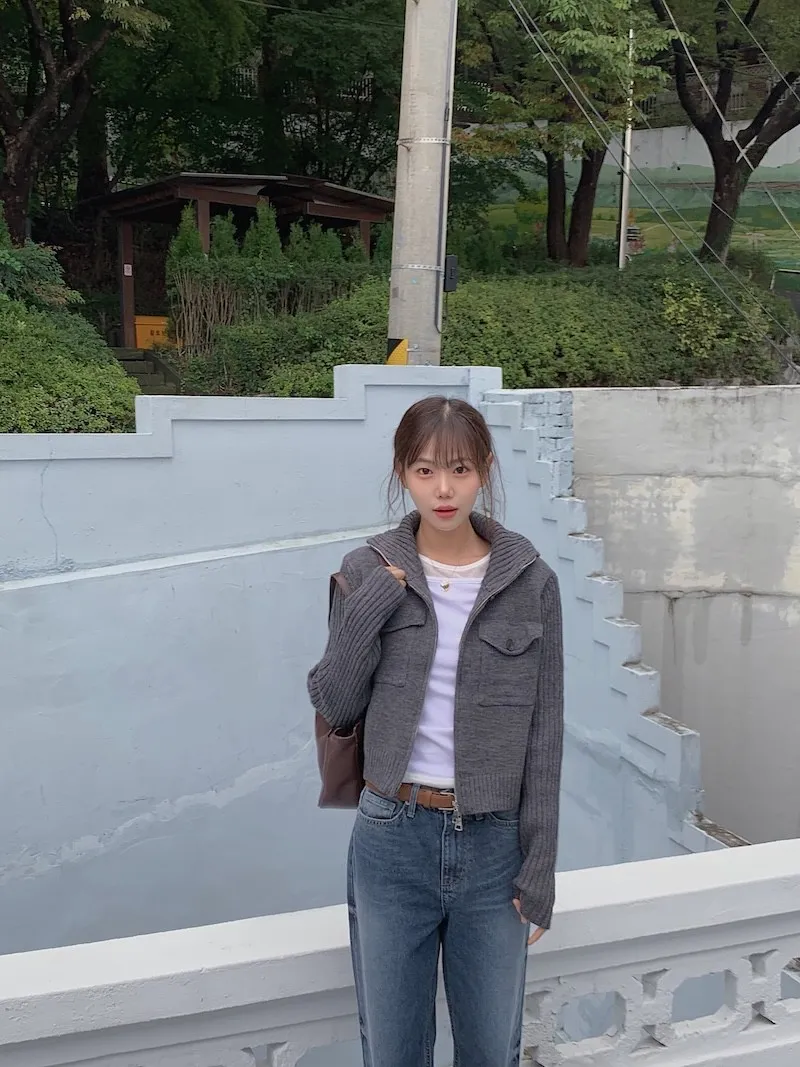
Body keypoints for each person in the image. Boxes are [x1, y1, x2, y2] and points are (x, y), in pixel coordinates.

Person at [308, 395, 564, 1067]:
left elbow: (544, 736)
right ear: (402, 473)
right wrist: (370, 608)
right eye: (425, 470)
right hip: (393, 837)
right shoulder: (366, 569)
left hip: (495, 846)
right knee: (393, 1051)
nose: (443, 489)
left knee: (491, 1050)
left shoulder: (532, 581)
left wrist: (539, 865)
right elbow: (335, 702)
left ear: (485, 470)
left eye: (459, 469)